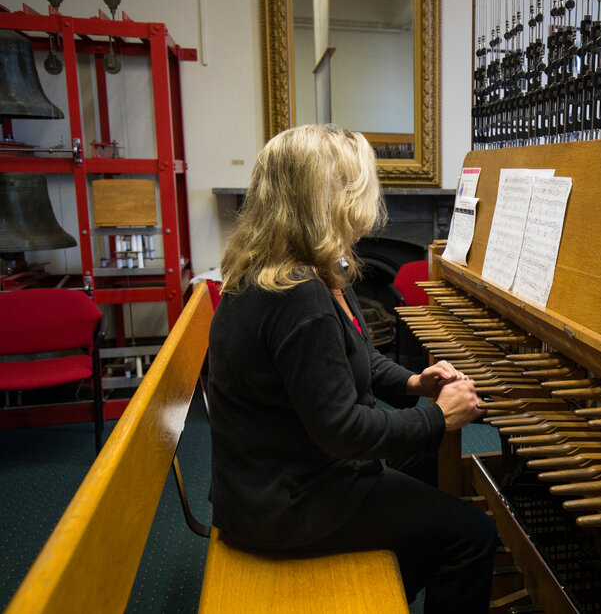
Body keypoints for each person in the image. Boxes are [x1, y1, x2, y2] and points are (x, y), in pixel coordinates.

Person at [207, 125, 497, 613]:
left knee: (428, 460)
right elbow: (343, 430)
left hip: (267, 479)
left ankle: (393, 586)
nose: (368, 206)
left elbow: (354, 355)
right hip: (287, 503)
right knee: (472, 535)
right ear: (328, 201)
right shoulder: (301, 297)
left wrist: (411, 382)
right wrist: (438, 417)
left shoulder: (288, 268)